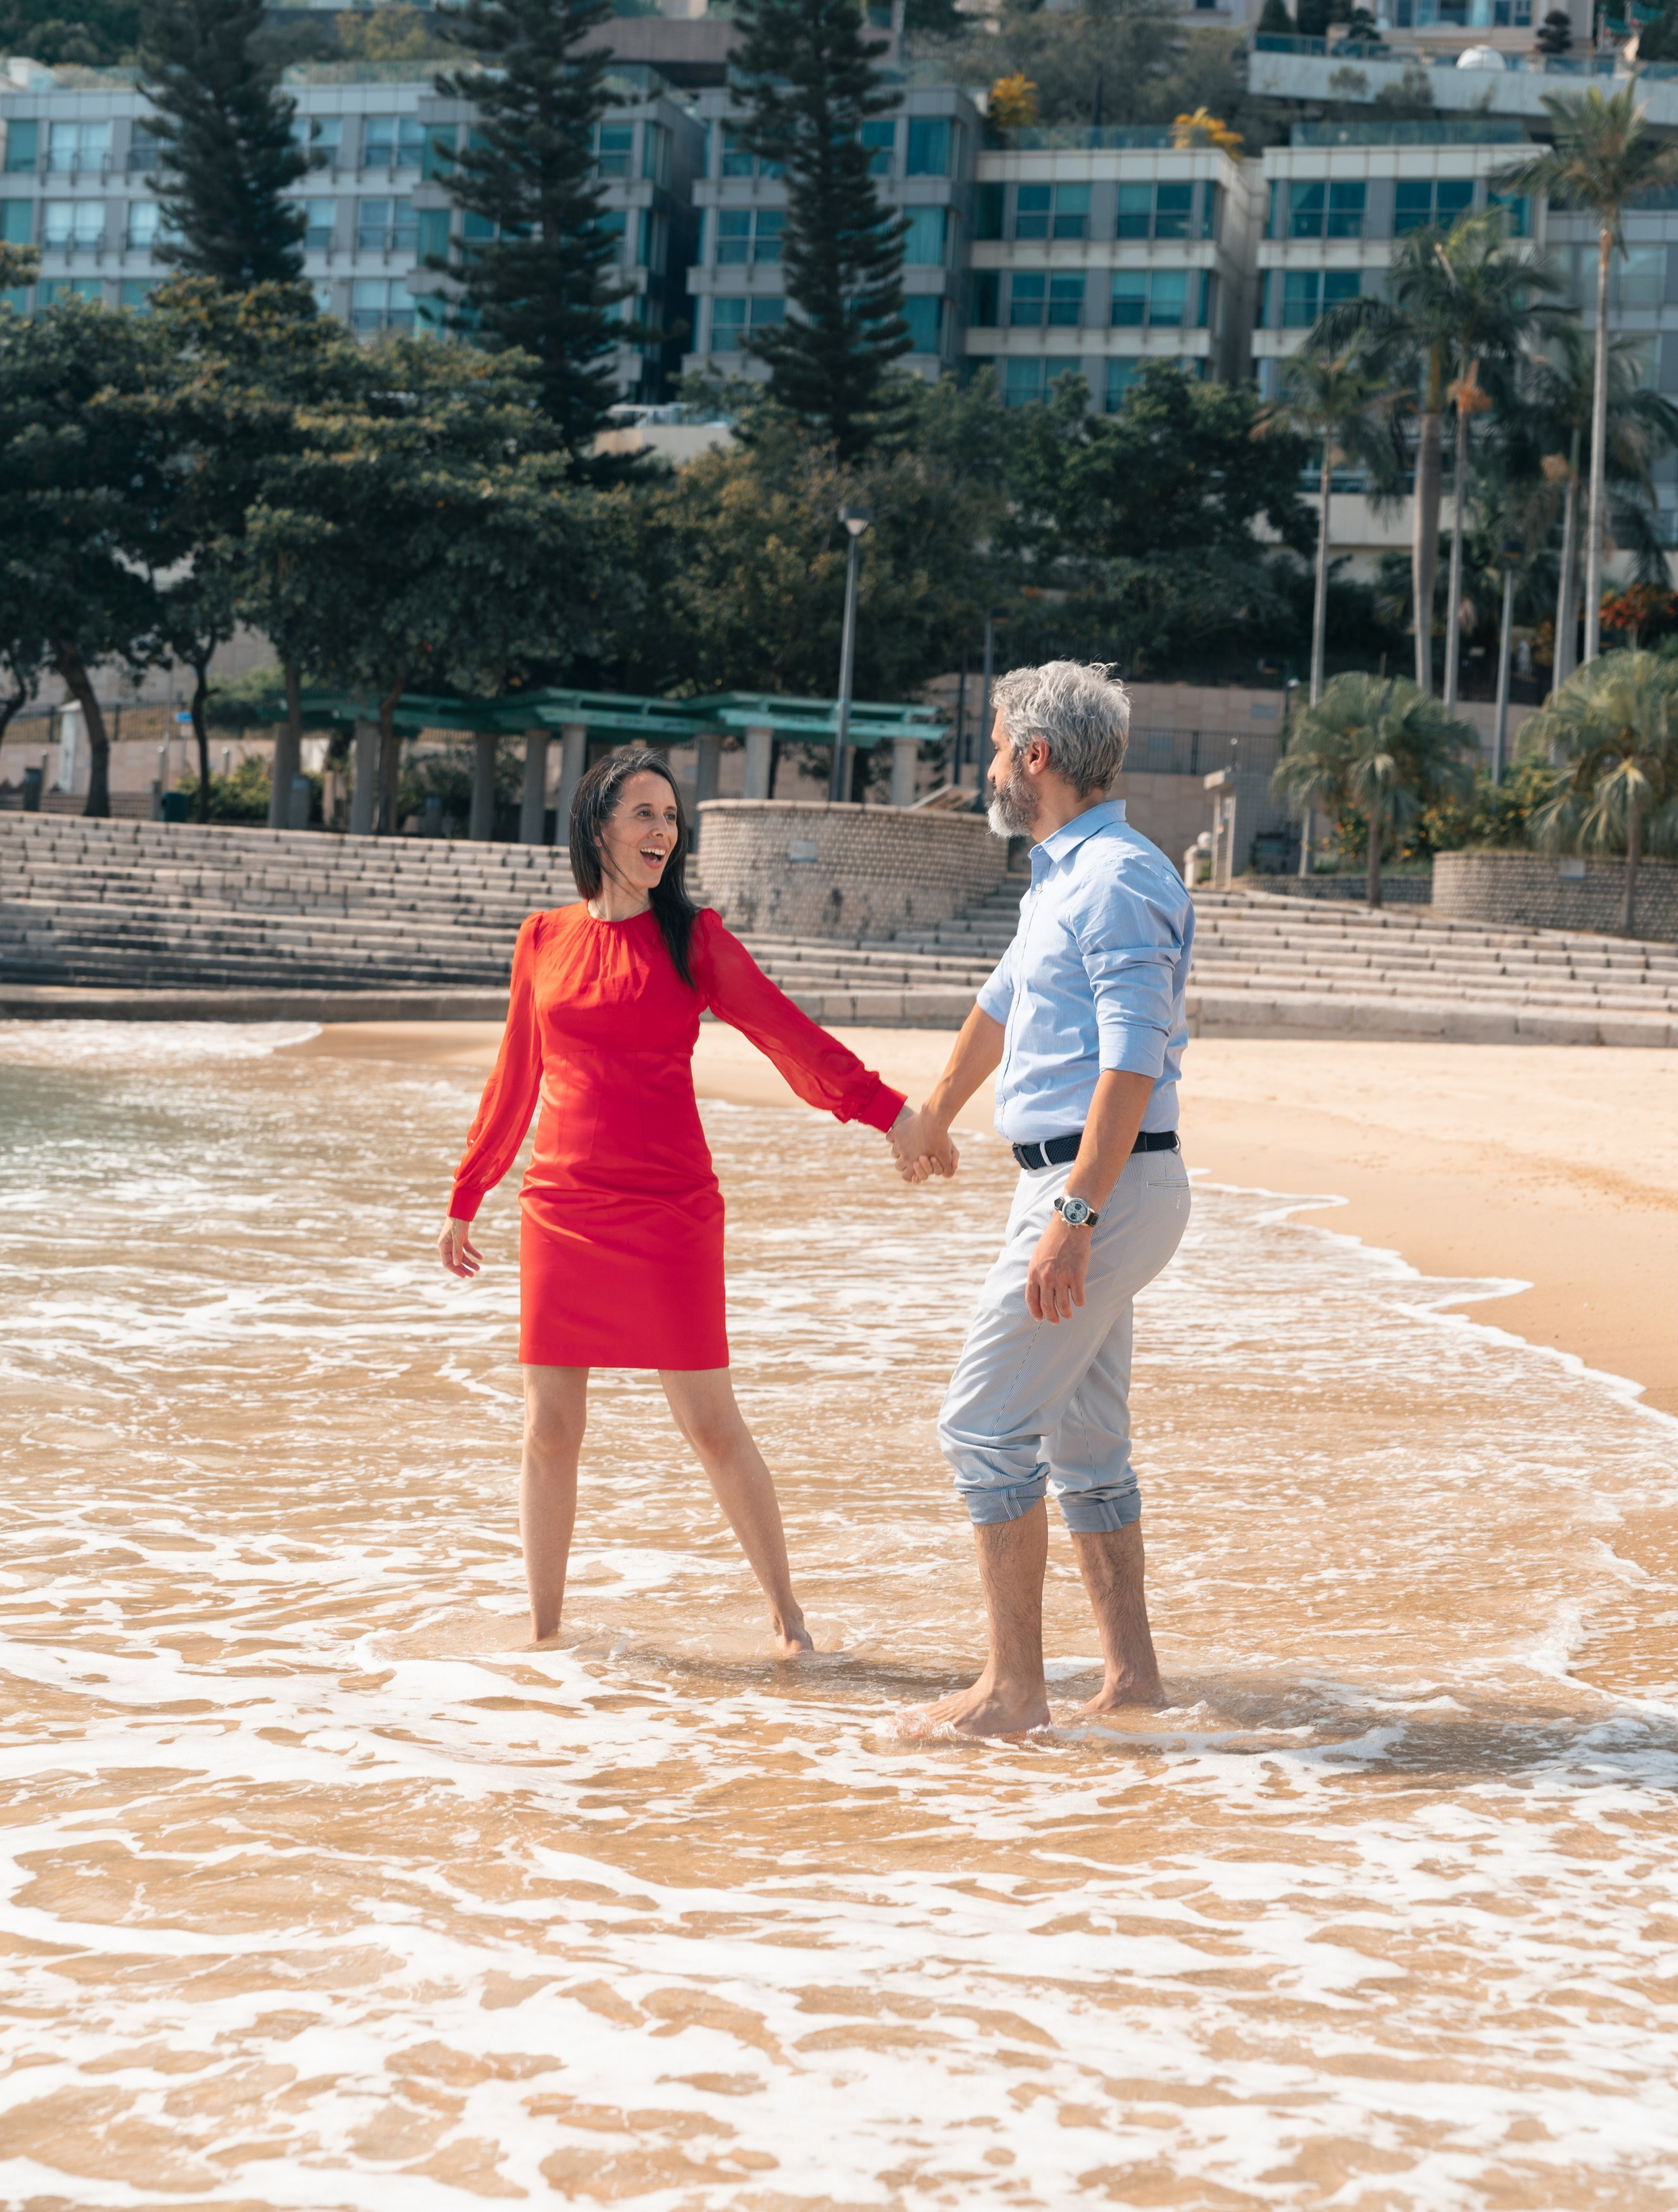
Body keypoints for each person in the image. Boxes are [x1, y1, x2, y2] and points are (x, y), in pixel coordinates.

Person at [438, 747, 929, 1656]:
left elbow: (790, 1037)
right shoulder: (542, 939)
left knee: (708, 1422)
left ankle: (790, 1621)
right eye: (645, 813)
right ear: (597, 827)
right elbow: (517, 1075)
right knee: (550, 1428)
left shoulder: (693, 939)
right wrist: (472, 1190)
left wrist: (888, 1112)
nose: (664, 830)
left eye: (671, 816)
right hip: (562, 1205)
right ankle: (544, 1637)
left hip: (670, 1209)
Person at [897, 661, 1195, 1738]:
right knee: (1085, 1445)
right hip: (1095, 1183)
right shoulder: (1061, 876)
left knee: (981, 1428)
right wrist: (933, 1109)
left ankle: (1012, 1691)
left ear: (1037, 757)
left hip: (1094, 1185)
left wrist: (1073, 1218)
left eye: (991, 746)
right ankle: (1133, 1683)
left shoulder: (1117, 878)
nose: (983, 767)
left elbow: (1131, 1061)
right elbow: (1001, 1003)